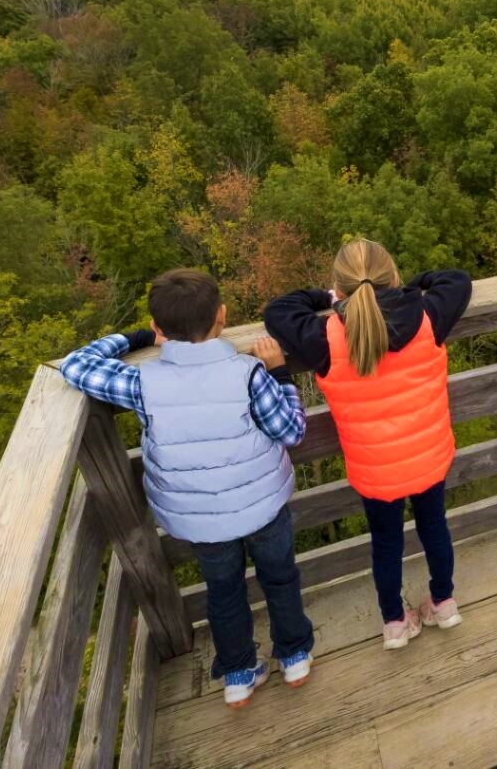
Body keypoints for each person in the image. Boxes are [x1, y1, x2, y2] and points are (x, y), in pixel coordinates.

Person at [58, 269, 314, 709]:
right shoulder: (250, 374)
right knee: (281, 578)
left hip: (199, 522)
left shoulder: (144, 384)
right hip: (263, 507)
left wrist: (133, 337)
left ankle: (238, 673)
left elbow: (76, 366)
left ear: (160, 329)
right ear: (222, 316)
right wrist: (282, 375)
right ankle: (293, 656)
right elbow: (290, 431)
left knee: (223, 591)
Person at [265, 239, 473, 649]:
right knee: (435, 528)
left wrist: (323, 298)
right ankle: (444, 603)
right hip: (429, 458)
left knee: (386, 544)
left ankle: (395, 623)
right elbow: (457, 280)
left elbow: (277, 312)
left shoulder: (324, 337)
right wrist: (408, 288)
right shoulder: (428, 315)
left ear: (340, 291)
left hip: (375, 470)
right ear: (392, 277)